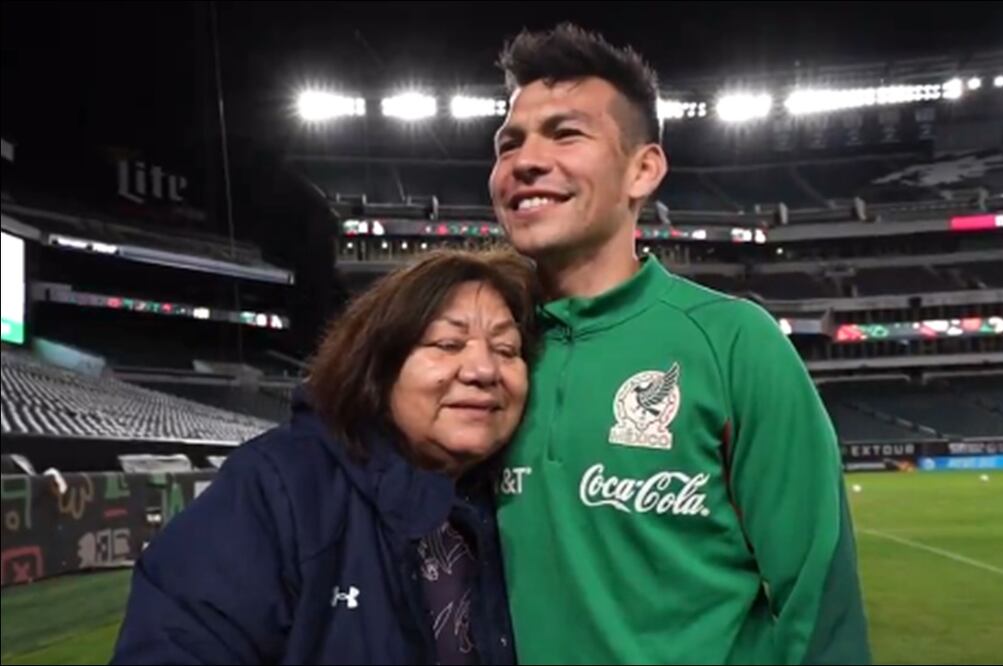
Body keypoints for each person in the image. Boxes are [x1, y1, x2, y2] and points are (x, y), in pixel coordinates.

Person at [488, 24, 871, 665]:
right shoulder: (484, 355)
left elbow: (820, 604)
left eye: (566, 133)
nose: (525, 160)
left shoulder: (733, 344)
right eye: (508, 142)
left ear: (643, 169)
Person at [112, 249, 541, 665]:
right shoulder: (278, 488)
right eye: (448, 343)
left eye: (506, 350)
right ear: (379, 365)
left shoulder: (520, 501)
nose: (483, 370)